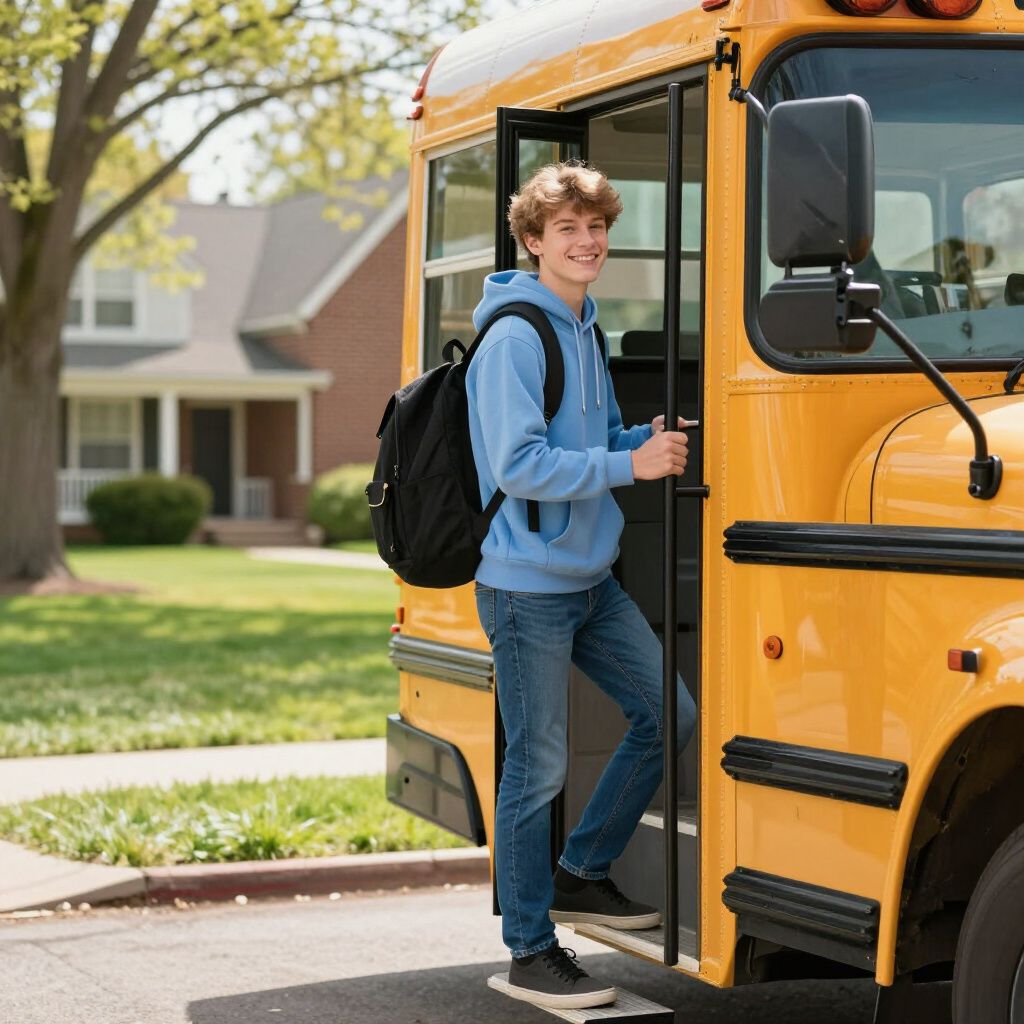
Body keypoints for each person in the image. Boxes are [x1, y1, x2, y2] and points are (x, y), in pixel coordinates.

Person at [466, 162, 698, 1011]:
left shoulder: (582, 324)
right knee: (536, 765)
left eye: (596, 226)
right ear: (533, 241)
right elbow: (518, 463)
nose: (587, 240)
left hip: (588, 579)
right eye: (566, 229)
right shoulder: (515, 337)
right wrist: (626, 463)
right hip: (526, 587)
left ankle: (581, 871)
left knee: (667, 716)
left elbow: (591, 437)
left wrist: (642, 436)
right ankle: (529, 947)